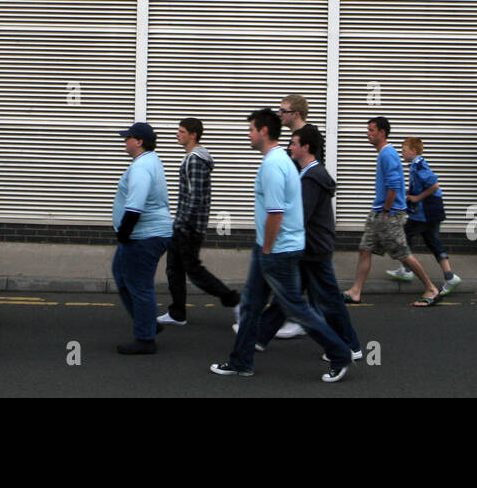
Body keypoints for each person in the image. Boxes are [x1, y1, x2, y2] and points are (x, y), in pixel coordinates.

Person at [211, 109, 352, 382]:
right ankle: (240, 361)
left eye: (251, 129)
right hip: (271, 246)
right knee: (252, 306)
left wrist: (267, 250)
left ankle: (340, 353)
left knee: (296, 308)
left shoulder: (274, 164)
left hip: (277, 250)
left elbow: (276, 212)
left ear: (264, 131)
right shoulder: (279, 160)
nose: (249, 134)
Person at [256, 123, 361, 359]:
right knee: (288, 296)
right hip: (309, 247)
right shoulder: (307, 173)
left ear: (306, 147)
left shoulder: (312, 177)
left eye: (294, 143)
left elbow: (300, 215)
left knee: (327, 300)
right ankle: (259, 336)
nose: (289, 147)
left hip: (314, 249)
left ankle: (350, 345)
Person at [342, 117, 442, 306]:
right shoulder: (384, 154)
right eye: (368, 129)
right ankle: (355, 291)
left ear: (382, 132)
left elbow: (395, 185)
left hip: (389, 214)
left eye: (371, 130)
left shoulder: (388, 154)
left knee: (402, 253)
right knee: (365, 249)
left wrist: (387, 210)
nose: (367, 133)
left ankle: (431, 288)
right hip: (379, 212)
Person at [158, 118, 240, 328]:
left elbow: (195, 198)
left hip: (189, 227)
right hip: (183, 225)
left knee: (194, 271)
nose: (177, 134)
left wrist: (182, 225)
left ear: (193, 135)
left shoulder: (194, 160)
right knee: (173, 269)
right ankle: (177, 313)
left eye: (181, 131)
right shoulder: (191, 158)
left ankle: (234, 300)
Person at [110, 122, 173, 354]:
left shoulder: (141, 167)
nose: (124, 141)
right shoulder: (149, 161)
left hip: (145, 236)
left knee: (139, 285)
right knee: (121, 273)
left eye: (128, 138)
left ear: (139, 141)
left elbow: (135, 206)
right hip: (147, 234)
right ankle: (148, 323)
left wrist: (124, 234)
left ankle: (145, 339)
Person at [272, 94, 312, 339]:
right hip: (295, 213)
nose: (280, 114)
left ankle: (300, 318)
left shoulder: (309, 136)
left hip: (300, 215)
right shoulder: (294, 139)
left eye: (283, 110)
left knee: (301, 272)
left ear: (295, 114)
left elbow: (309, 175)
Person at [399, 136, 460, 294]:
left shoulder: (419, 165)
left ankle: (406, 269)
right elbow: (421, 186)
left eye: (404, 150)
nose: (402, 153)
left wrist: (417, 198)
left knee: (404, 235)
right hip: (431, 211)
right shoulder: (415, 165)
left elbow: (434, 185)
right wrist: (407, 193)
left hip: (426, 212)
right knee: (432, 241)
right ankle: (449, 276)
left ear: (413, 151)